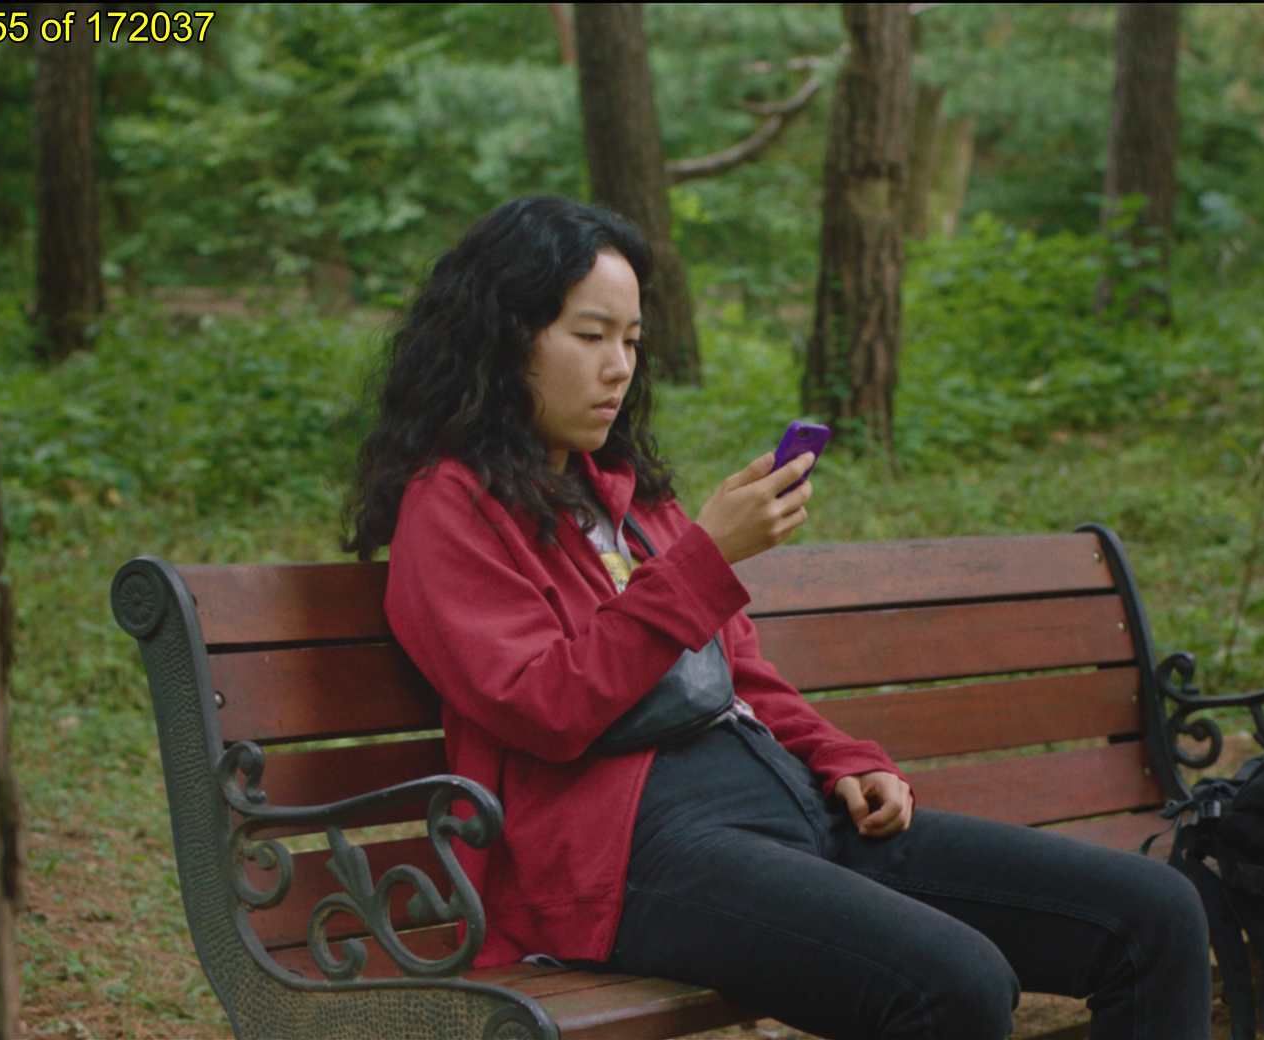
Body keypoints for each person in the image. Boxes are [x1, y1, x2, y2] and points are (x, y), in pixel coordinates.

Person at [345, 196, 1211, 1039]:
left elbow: (738, 673)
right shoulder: (451, 507)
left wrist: (843, 758)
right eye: (590, 335)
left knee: (1154, 915)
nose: (619, 367)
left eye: (633, 340)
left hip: (785, 806)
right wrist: (702, 562)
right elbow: (543, 706)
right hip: (627, 857)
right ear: (505, 337)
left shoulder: (629, 496)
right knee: (954, 984)